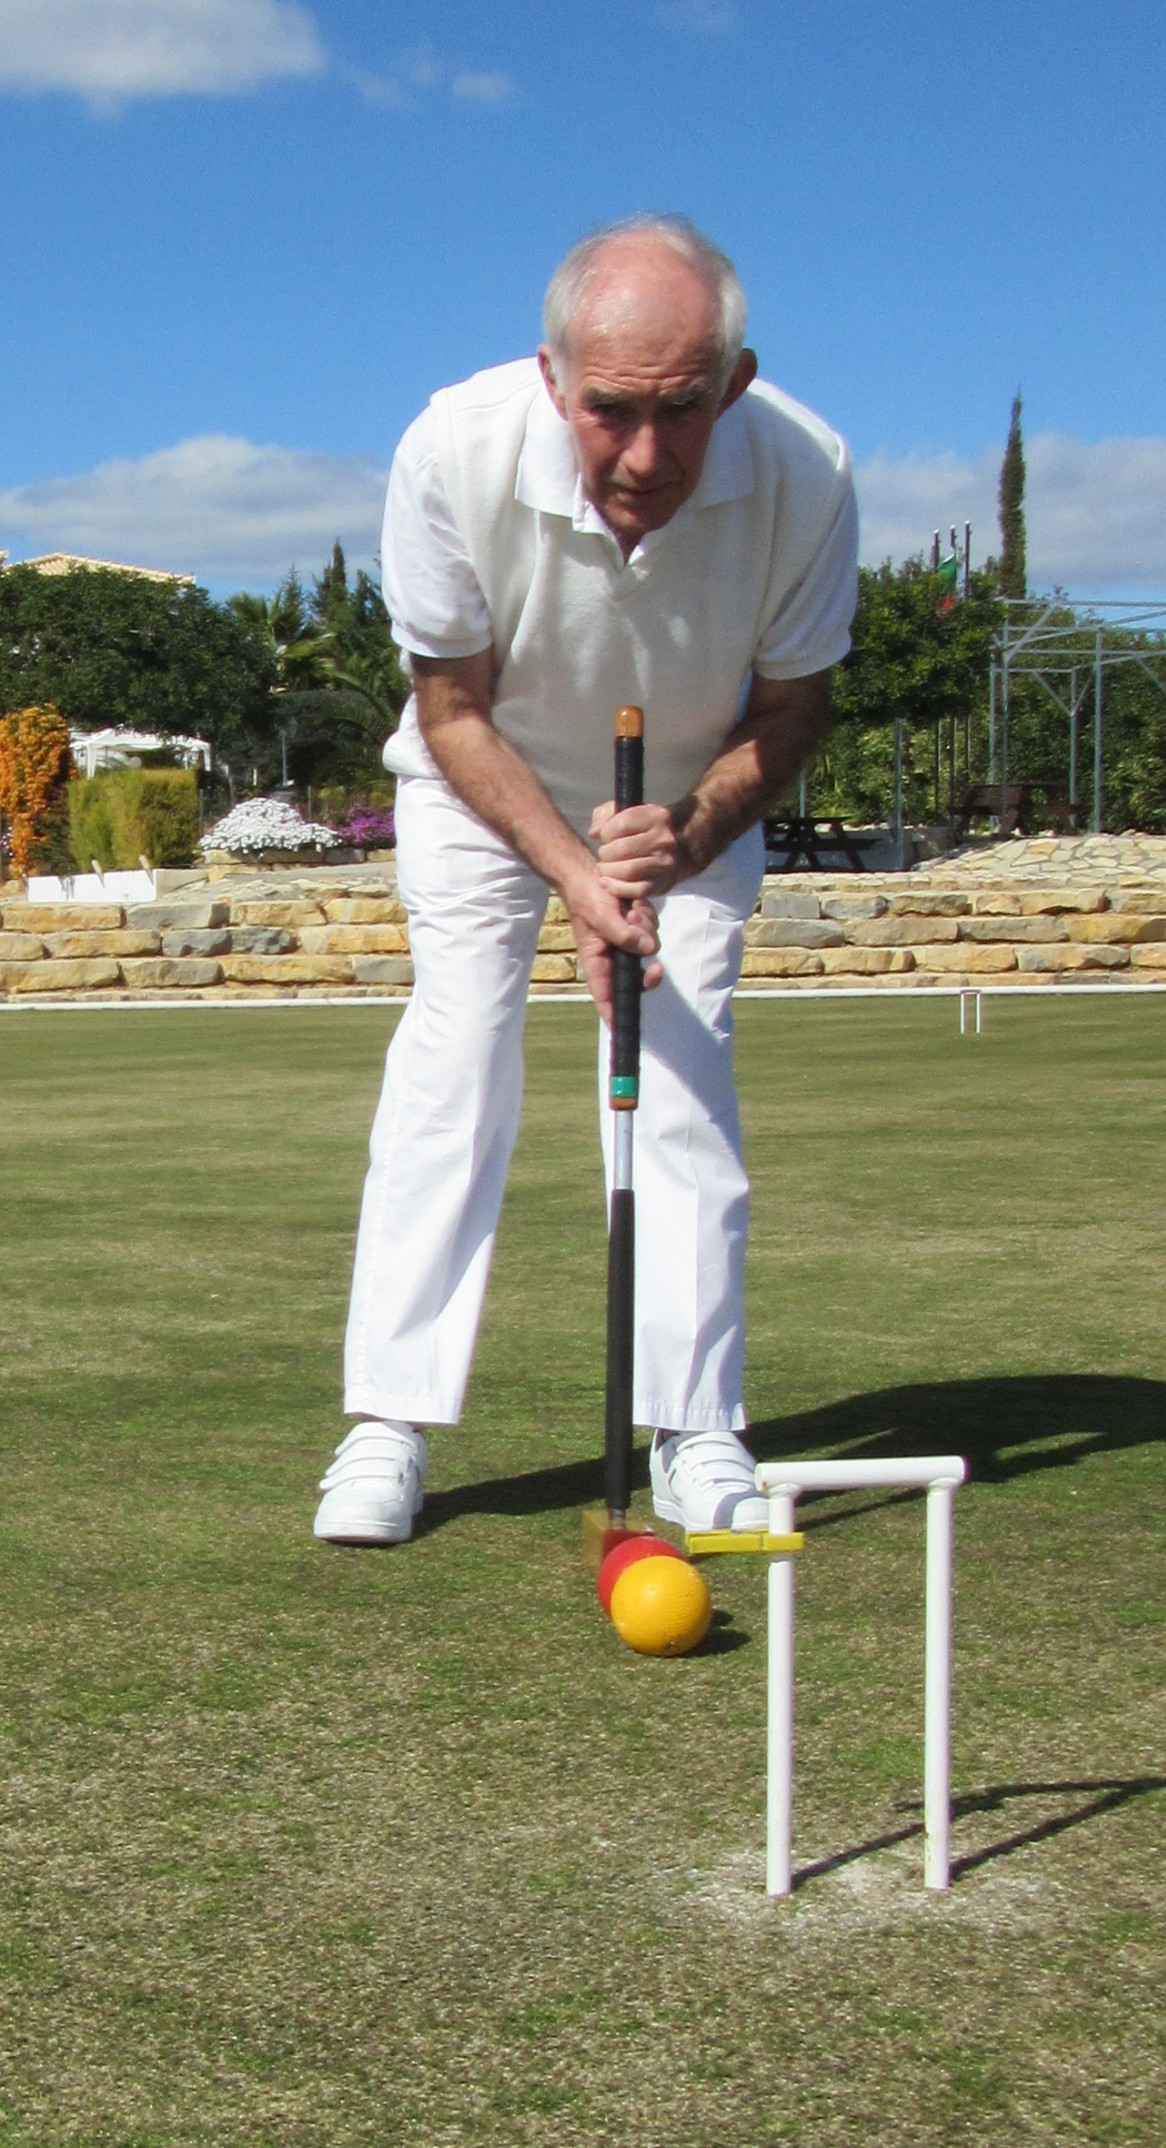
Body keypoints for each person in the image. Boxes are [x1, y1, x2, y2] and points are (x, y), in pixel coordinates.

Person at [314, 214, 858, 1548]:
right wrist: (572, 870)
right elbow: (450, 711)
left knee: (680, 1071)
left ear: (732, 380)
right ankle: (390, 1420)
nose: (646, 454)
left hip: (692, 796)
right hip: (481, 782)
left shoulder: (809, 470)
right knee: (457, 1054)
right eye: (611, 411)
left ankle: (696, 1427)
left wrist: (674, 837)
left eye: (683, 411)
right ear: (554, 378)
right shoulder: (453, 449)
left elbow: (793, 712)